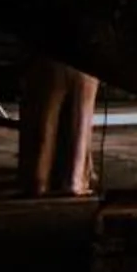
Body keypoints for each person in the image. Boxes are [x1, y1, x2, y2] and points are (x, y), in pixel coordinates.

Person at [14, 57, 101, 197]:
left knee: (44, 124)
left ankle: (38, 181)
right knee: (80, 124)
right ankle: (75, 180)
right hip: (85, 61)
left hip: (49, 58)